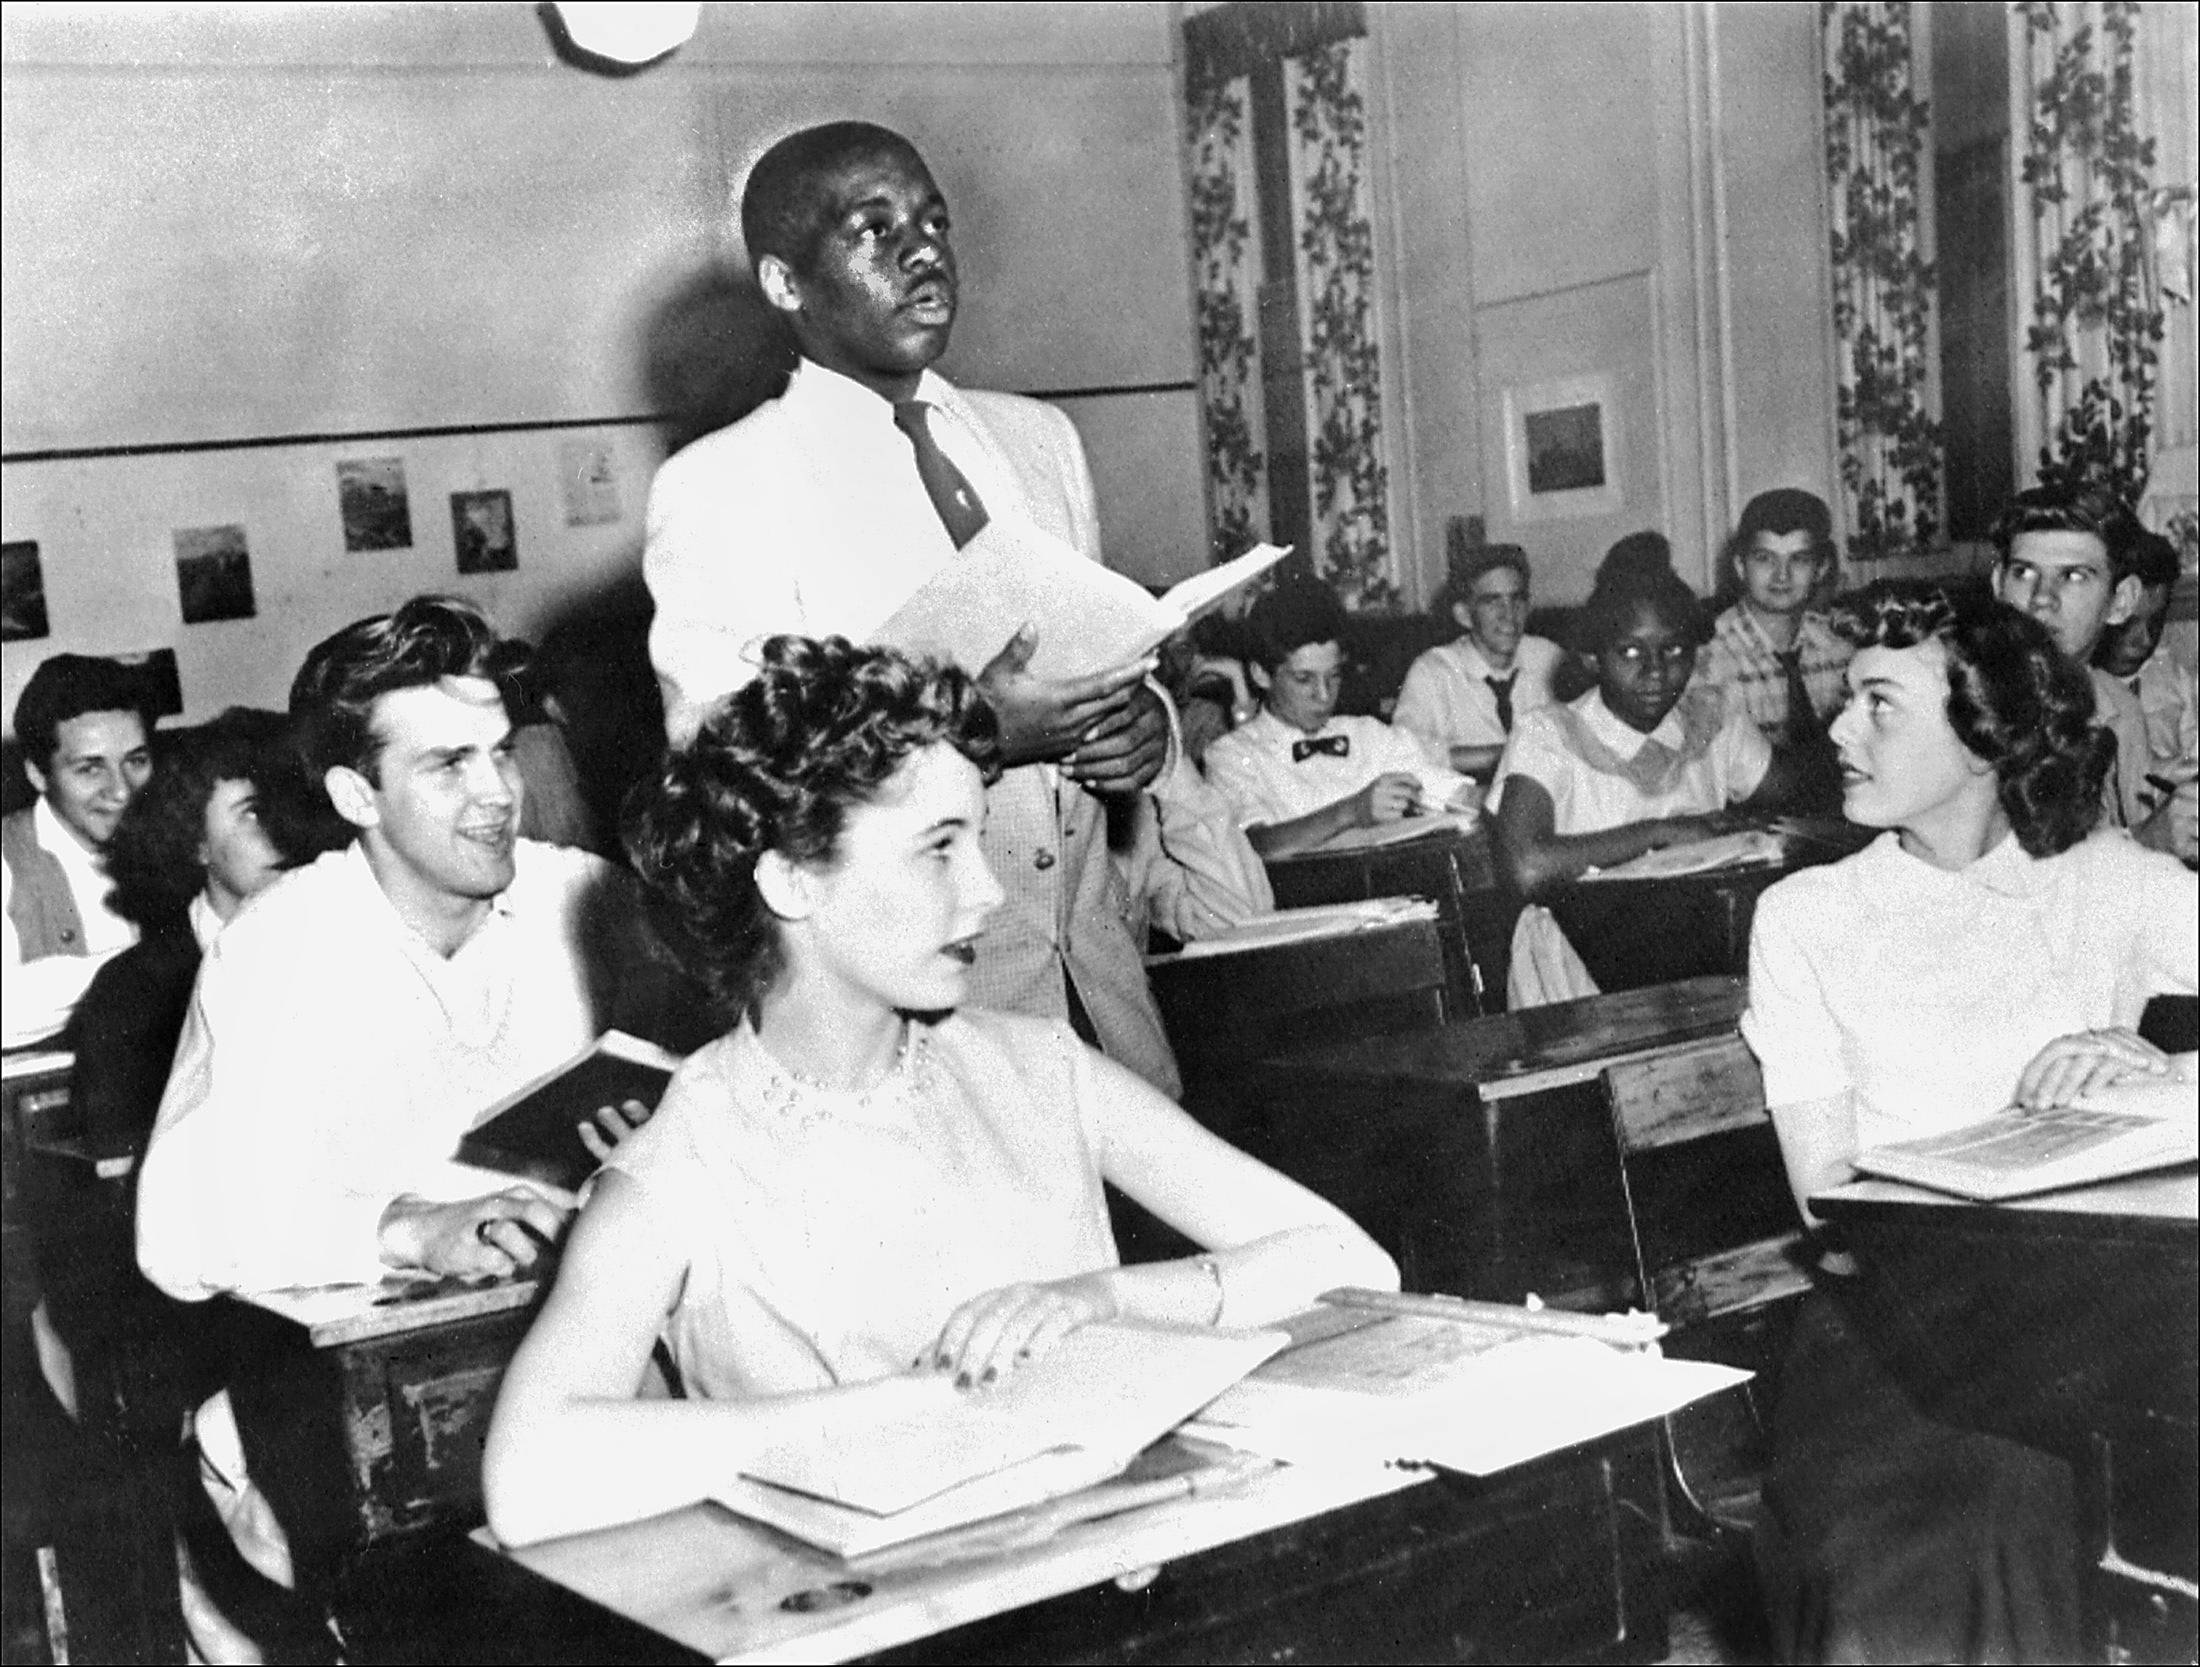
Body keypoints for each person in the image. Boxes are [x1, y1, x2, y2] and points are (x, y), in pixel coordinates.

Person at [479, 637, 1397, 1547]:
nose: (989, 891)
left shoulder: (1042, 1066)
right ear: (792, 878)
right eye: (939, 850)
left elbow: (1354, 1265)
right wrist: (908, 1407)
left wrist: (1108, 1299)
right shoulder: (681, 1159)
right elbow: (527, 1476)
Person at [642, 119, 1179, 1093]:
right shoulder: (724, 483)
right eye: (875, 228)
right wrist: (970, 729)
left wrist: (1143, 724)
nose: (924, 249)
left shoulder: (1040, 439)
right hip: (906, 1047)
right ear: (783, 282)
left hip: (1108, 1018)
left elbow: (1098, 641)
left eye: (933, 221)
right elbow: (722, 768)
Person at [1741, 580, 2197, 1665]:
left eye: (1879, 703)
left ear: (1982, 731)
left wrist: (2161, 1072)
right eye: (1841, 699)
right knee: (1920, 1557)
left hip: (2103, 1308)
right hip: (1896, 1326)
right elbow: (1828, 1195)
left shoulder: (2110, 881)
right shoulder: (1805, 916)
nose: (1838, 730)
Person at [1490, 560, 1786, 901]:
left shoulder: (1711, 717)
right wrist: (1660, 833)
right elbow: (1526, 867)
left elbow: (1797, 799)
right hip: (1585, 933)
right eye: (1631, 652)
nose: (1656, 671)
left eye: (1674, 650)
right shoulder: (1549, 734)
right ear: (1592, 659)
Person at [1990, 481, 2196, 860]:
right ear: (1997, 584)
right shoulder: (1963, 710)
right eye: (2024, 573)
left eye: (2074, 576)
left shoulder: (2118, 709)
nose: (2042, 599)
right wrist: (2149, 843)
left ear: (2121, 602)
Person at [1202, 578, 1478, 859]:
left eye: (1333, 676)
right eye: (1304, 679)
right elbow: (1255, 848)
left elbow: (1460, 796)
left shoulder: (1370, 735)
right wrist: (1350, 812)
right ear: (1261, 674)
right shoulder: (1231, 756)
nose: (1323, 696)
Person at [3, 653, 155, 1047]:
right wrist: (156, 964)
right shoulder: (7, 859)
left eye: (136, 761)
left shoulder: (179, 839)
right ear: (38, 774)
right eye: (90, 768)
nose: (121, 790)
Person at [1392, 543, 1565, 780]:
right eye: (1492, 602)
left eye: (1516, 600)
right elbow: (1401, 754)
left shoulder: (1548, 658)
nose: (1509, 615)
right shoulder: (1433, 672)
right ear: (1464, 615)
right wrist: (1505, 755)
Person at [2097, 526, 2196, 771]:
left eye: (2155, 622)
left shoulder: (2170, 674)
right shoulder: (2079, 687)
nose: (2144, 640)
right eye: (2128, 624)